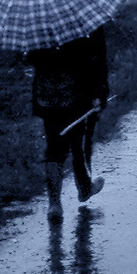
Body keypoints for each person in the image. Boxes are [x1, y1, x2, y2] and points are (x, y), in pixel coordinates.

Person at [27, 25, 109, 223]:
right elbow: (97, 57)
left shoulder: (37, 22)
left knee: (54, 147)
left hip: (47, 95)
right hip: (77, 92)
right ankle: (84, 187)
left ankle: (55, 204)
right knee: (78, 141)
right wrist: (100, 92)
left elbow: (30, 58)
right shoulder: (86, 21)